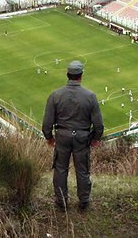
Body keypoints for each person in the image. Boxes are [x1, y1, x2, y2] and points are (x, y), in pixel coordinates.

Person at [42, 60, 104, 211]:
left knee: (60, 169)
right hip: (82, 138)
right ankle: (83, 201)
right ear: (81, 76)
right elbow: (98, 124)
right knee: (82, 170)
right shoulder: (90, 96)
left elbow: (47, 123)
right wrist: (96, 138)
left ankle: (61, 202)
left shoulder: (55, 95)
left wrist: (49, 138)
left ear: (67, 75)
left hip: (62, 136)